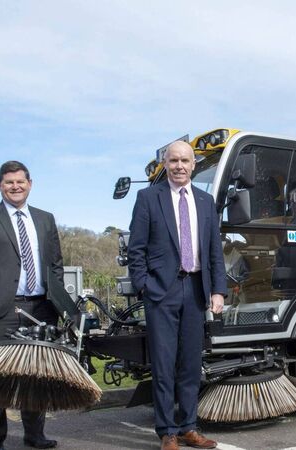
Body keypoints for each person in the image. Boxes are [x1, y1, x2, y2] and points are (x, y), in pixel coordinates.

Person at [127, 141, 226, 450]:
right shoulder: (148, 198)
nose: (179, 166)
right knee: (164, 363)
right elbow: (136, 250)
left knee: (190, 363)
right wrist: (144, 285)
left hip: (196, 290)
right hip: (162, 291)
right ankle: (167, 431)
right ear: (165, 165)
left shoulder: (205, 200)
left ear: (193, 164)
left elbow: (214, 251)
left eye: (185, 160)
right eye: (174, 161)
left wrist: (218, 290)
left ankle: (188, 426)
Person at [0, 161, 63, 450]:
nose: (15, 186)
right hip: (0, 310)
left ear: (30, 183)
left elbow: (55, 264)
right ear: (0, 186)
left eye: (20, 181)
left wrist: (56, 302)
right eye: (9, 182)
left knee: (37, 375)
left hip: (41, 309)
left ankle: (35, 434)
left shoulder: (45, 219)